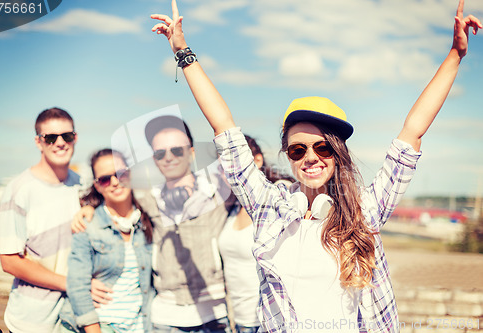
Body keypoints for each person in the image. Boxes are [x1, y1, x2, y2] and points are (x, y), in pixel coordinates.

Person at [150, 1, 481, 332]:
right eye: (297, 149)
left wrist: (455, 55)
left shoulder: (365, 209)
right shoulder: (269, 205)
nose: (310, 157)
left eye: (322, 147)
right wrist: (183, 52)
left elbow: (413, 132)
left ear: (338, 153)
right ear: (288, 155)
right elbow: (223, 126)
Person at [73, 115, 233, 333]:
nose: (169, 158)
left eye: (177, 150)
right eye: (160, 153)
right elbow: (114, 193)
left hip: (215, 315)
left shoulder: (220, 194)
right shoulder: (147, 200)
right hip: (164, 320)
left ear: (191, 152)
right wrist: (88, 206)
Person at [0, 107, 81, 332]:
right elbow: (10, 261)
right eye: (51, 137)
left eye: (67, 135)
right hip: (33, 321)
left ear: (76, 137)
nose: (60, 142)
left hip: (76, 316)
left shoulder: (84, 186)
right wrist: (71, 284)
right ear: (38, 142)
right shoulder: (19, 190)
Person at [61, 149, 153, 333]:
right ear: (97, 185)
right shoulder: (87, 225)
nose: (114, 182)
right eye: (104, 179)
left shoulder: (148, 219)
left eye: (121, 174)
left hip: (139, 326)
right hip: (99, 326)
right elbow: (77, 285)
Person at [218, 135, 292, 333]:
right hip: (239, 320)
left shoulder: (278, 195)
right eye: (221, 168)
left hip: (270, 321)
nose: (228, 172)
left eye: (231, 164)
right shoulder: (231, 208)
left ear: (257, 160)